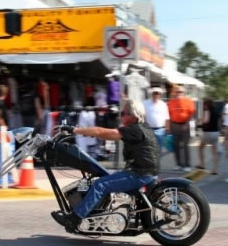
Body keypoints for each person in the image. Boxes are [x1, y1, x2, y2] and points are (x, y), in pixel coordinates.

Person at [51, 99, 158, 232]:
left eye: (123, 113)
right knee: (105, 178)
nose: (120, 115)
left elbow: (101, 132)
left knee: (99, 185)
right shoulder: (145, 127)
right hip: (146, 172)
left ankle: (74, 219)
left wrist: (74, 130)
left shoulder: (134, 130)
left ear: (132, 115)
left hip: (139, 174)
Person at [167, 86, 195, 172]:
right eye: (177, 92)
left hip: (185, 125)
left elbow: (192, 113)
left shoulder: (188, 101)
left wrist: (186, 123)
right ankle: (178, 164)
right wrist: (168, 127)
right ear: (174, 93)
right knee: (176, 145)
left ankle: (187, 165)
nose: (179, 93)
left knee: (185, 145)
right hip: (174, 125)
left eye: (181, 92)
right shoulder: (170, 102)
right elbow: (168, 115)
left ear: (184, 93)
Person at [143, 87, 169, 158]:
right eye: (155, 93)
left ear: (160, 95)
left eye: (158, 94)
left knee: (158, 149)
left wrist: (167, 129)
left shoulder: (163, 104)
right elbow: (142, 115)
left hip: (160, 130)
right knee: (148, 148)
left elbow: (167, 117)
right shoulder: (145, 103)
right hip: (148, 129)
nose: (156, 95)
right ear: (152, 94)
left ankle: (156, 165)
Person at [196, 98, 220, 175]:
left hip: (208, 132)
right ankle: (215, 169)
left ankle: (202, 164)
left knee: (200, 147)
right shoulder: (216, 110)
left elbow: (206, 120)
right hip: (216, 132)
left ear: (206, 104)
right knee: (214, 151)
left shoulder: (207, 110)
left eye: (204, 104)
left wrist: (200, 121)